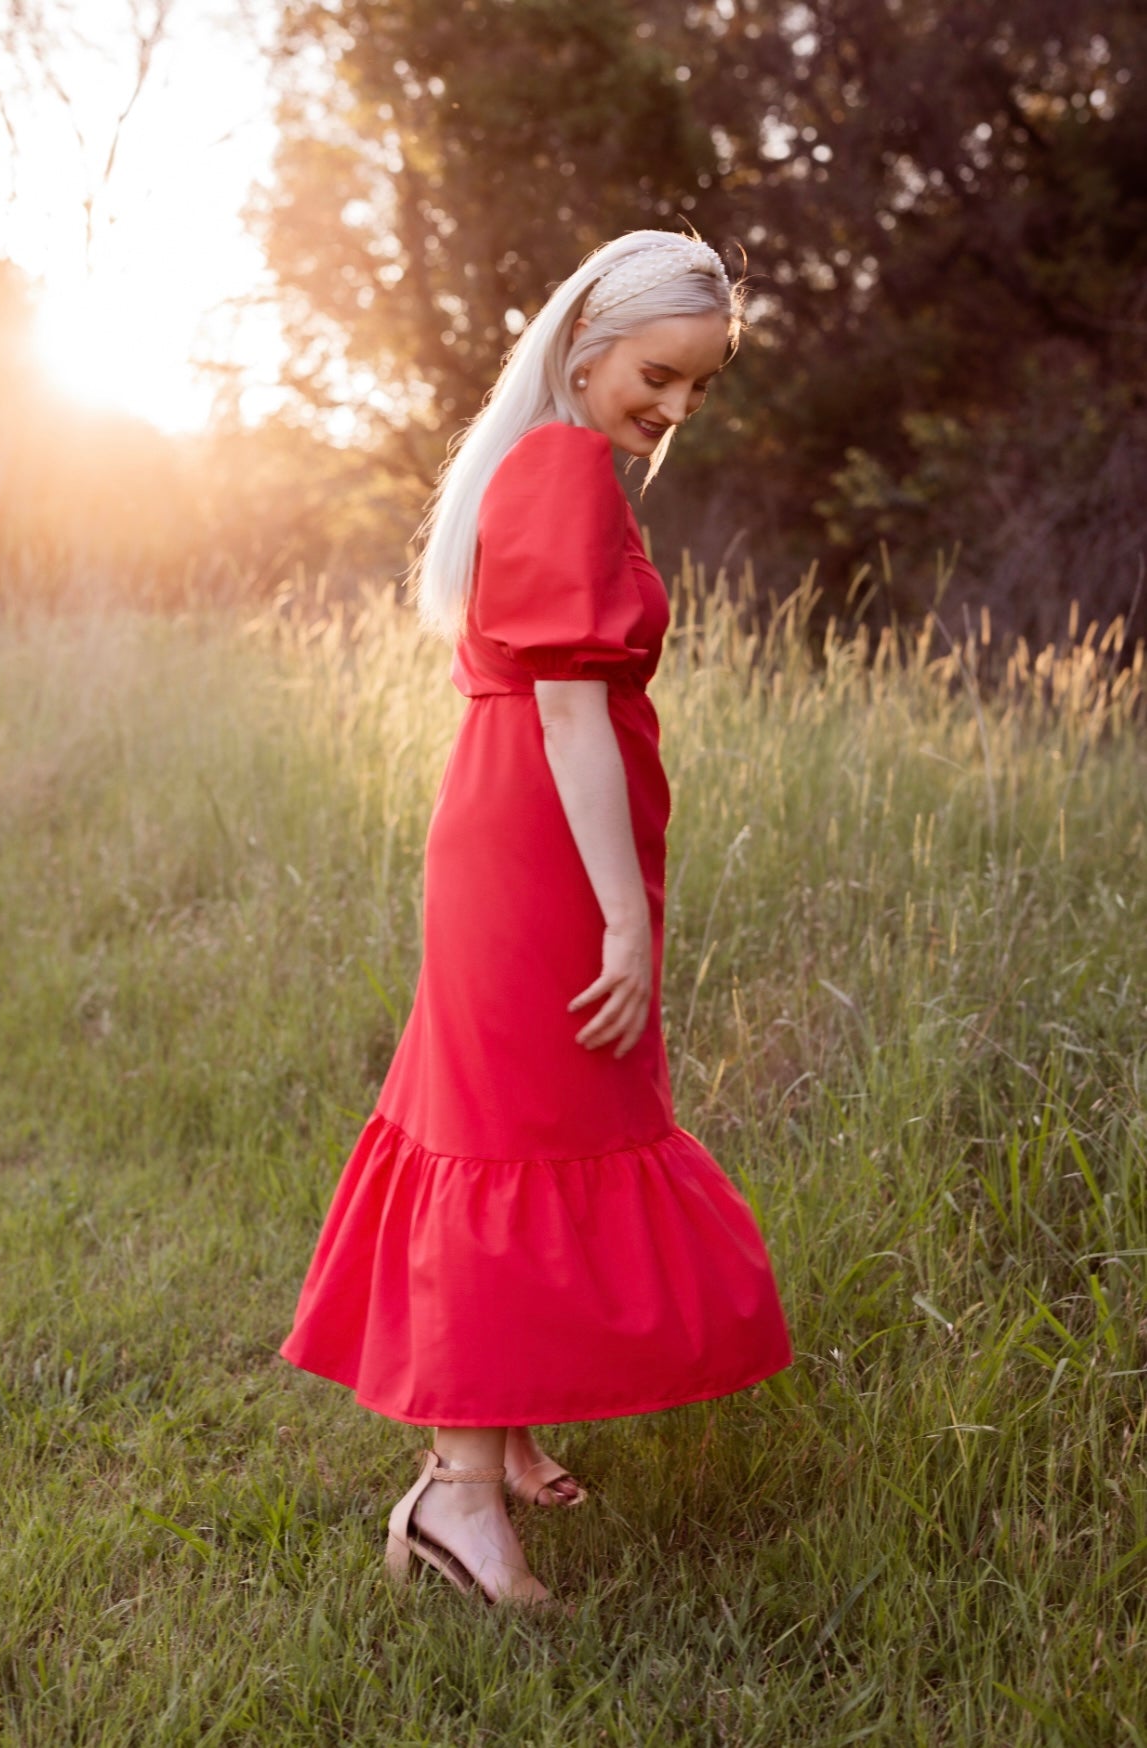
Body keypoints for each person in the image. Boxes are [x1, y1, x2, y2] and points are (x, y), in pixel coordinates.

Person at [280, 229, 792, 1606]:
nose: (676, 409)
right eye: (659, 373)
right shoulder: (563, 465)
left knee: (512, 1120)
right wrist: (626, 919)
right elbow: (571, 707)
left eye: (699, 387)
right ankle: (453, 1495)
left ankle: (487, 1442)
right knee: (516, 1131)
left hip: (518, 827)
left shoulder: (534, 459)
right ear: (584, 345)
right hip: (545, 846)